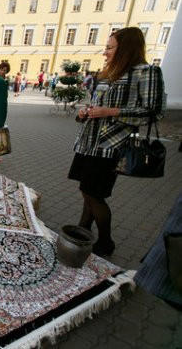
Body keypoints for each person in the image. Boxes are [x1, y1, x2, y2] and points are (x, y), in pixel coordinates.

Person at [69, 27, 165, 257]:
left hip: (111, 144)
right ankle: (83, 231)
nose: (105, 52)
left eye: (110, 48)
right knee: (87, 191)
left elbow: (153, 112)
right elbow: (95, 104)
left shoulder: (147, 72)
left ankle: (105, 242)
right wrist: (85, 111)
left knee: (94, 193)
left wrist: (109, 111)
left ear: (126, 48)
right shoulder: (109, 72)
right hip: (89, 142)